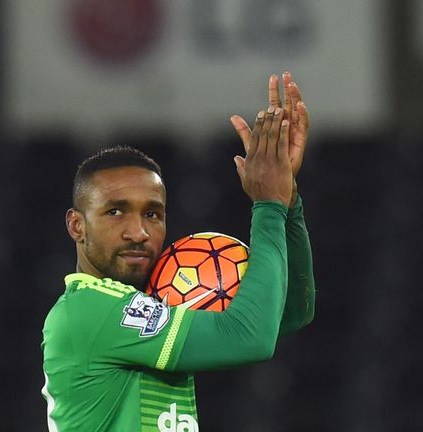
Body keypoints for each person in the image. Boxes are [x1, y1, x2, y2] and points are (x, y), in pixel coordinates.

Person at [41, 72, 315, 431]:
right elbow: (251, 337)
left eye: (152, 214)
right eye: (115, 211)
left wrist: (287, 199)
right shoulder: (87, 310)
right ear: (77, 225)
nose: (139, 232)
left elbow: (290, 311)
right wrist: (268, 204)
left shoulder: (156, 301)